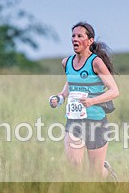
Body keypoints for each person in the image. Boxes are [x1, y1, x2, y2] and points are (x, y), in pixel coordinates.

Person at [49, 21, 119, 179]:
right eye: (73, 36)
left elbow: (114, 90)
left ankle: (107, 174)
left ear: (89, 41)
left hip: (96, 121)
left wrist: (92, 101)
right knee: (73, 167)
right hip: (74, 121)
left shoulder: (96, 62)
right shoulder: (66, 62)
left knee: (95, 173)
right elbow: (71, 82)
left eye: (80, 36)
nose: (75, 39)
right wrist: (60, 97)